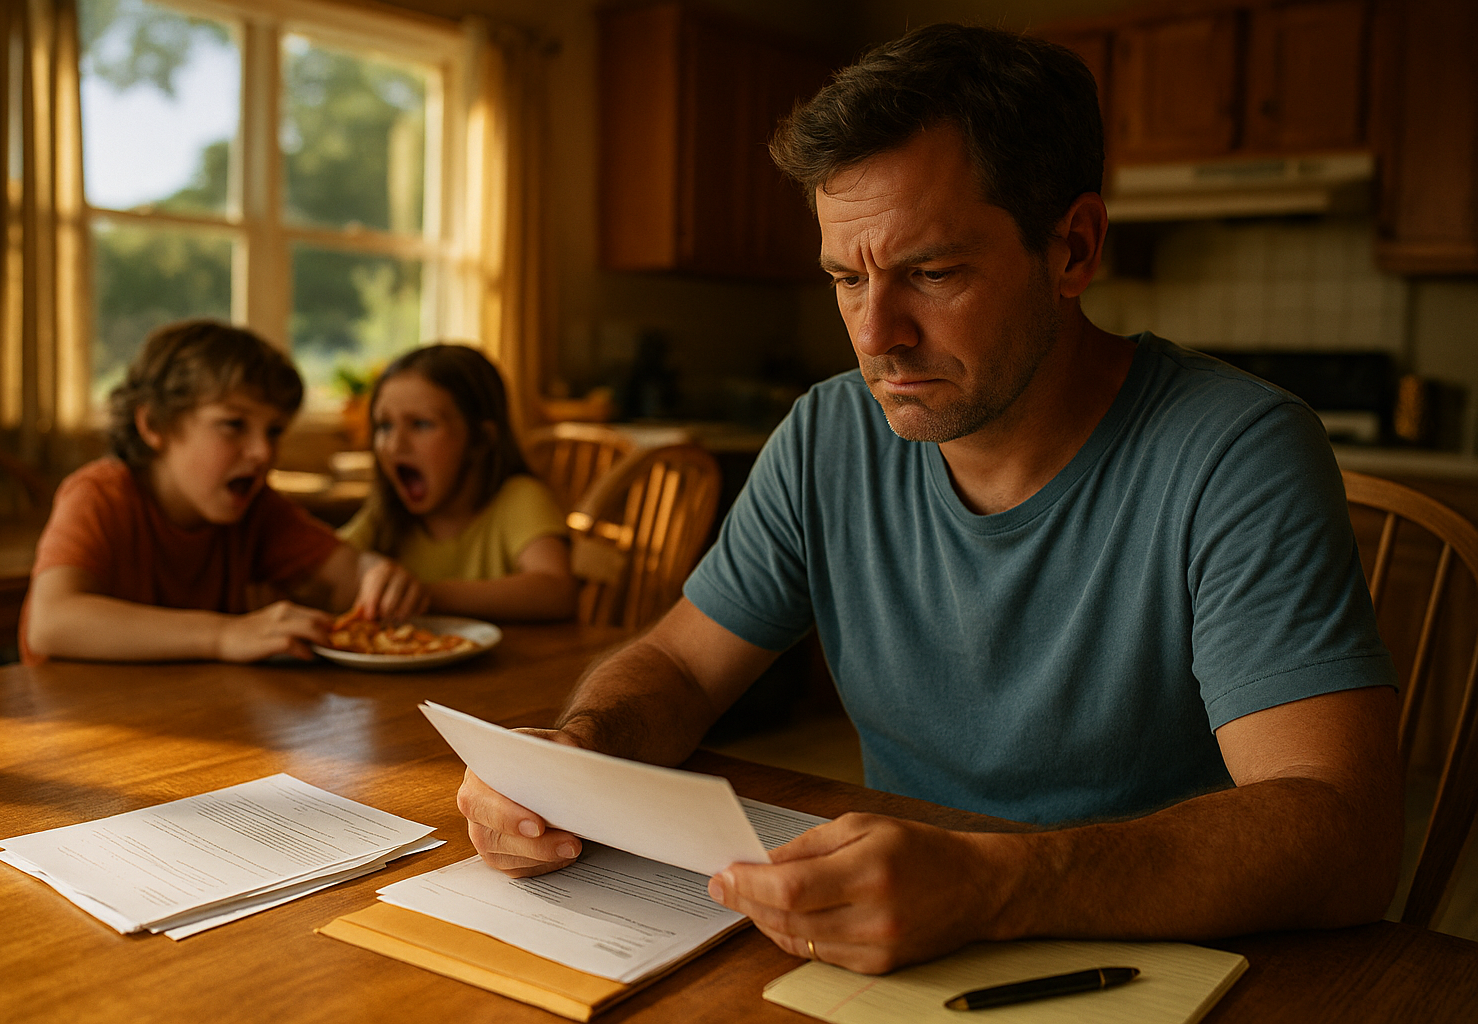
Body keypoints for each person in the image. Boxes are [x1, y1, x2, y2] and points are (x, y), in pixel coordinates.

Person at [456, 22, 1403, 974]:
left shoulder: (1235, 452)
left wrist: (996, 883)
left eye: (933, 273)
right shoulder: (828, 433)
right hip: (904, 955)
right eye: (844, 277)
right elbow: (682, 667)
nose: (876, 335)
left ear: (1072, 249)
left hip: (1158, 964)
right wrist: (572, 760)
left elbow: (1345, 833)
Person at [22, 320, 426, 665]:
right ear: (153, 425)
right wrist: (222, 635)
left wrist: (376, 575)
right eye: (234, 424)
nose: (263, 452)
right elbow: (51, 622)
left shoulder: (257, 509)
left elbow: (347, 576)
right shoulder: (99, 496)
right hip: (74, 726)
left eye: (274, 431)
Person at [338, 343, 578, 622]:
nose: (394, 446)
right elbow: (317, 566)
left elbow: (556, 591)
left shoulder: (519, 497)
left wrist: (423, 594)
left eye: (421, 424)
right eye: (385, 426)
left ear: (480, 440)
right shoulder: (384, 514)